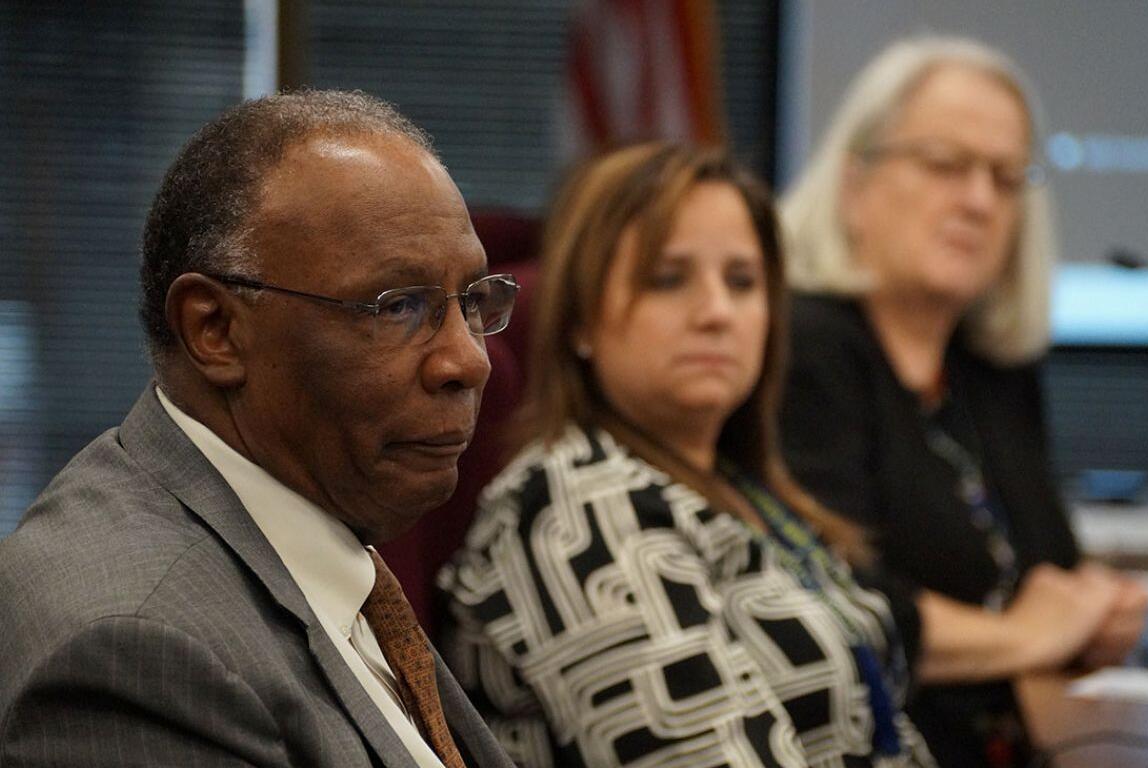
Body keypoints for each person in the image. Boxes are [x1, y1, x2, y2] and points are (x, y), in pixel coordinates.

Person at [0, 90, 519, 768]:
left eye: (472, 301)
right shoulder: (137, 651)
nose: (469, 361)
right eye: (399, 306)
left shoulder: (301, 526)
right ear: (215, 330)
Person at [440, 142, 935, 768]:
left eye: (743, 281)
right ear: (581, 322)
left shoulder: (746, 490)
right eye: (668, 279)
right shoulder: (579, 509)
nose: (718, 313)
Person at [777, 37, 1148, 767]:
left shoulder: (993, 367)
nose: (979, 200)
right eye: (946, 165)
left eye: (1007, 177)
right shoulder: (803, 345)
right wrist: (1027, 636)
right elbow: (822, 604)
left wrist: (1093, 611)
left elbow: (1046, 572)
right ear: (856, 185)